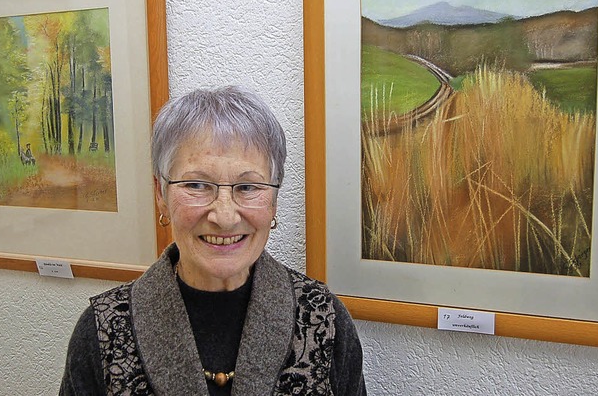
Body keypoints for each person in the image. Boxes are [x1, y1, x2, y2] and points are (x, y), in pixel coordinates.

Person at [59, 85, 367, 395]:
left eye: (248, 187)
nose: (224, 216)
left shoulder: (323, 320)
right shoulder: (103, 330)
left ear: (273, 201)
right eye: (197, 184)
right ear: (160, 195)